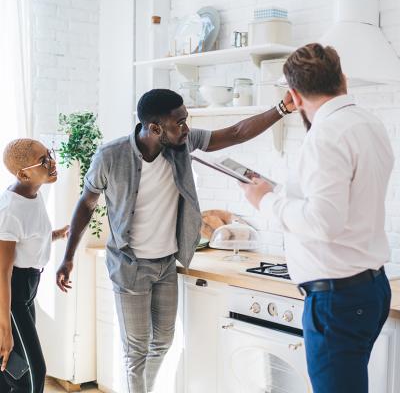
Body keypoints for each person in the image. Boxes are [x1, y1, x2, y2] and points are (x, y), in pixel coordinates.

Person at [55, 88, 294, 392]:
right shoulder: (110, 156)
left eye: (186, 119)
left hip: (166, 263)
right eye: (179, 123)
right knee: (136, 350)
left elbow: (234, 133)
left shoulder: (182, 143)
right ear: (155, 128)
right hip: (130, 266)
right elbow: (86, 204)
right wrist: (69, 256)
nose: (187, 128)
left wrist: (282, 109)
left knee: (163, 343)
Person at [240, 43, 394, 393]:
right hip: (369, 288)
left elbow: (324, 222)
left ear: (293, 94)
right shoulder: (370, 123)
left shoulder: (326, 136)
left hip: (336, 299)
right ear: (343, 79)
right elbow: (342, 202)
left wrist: (265, 201)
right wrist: (278, 193)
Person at [0, 139, 69, 393]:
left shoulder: (33, 194)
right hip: (13, 291)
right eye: (43, 161)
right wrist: (4, 329)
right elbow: (2, 272)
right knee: (33, 371)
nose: (52, 163)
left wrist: (57, 235)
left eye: (49, 154)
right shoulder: (9, 211)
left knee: (12, 367)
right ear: (23, 173)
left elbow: (29, 239)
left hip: (28, 286)